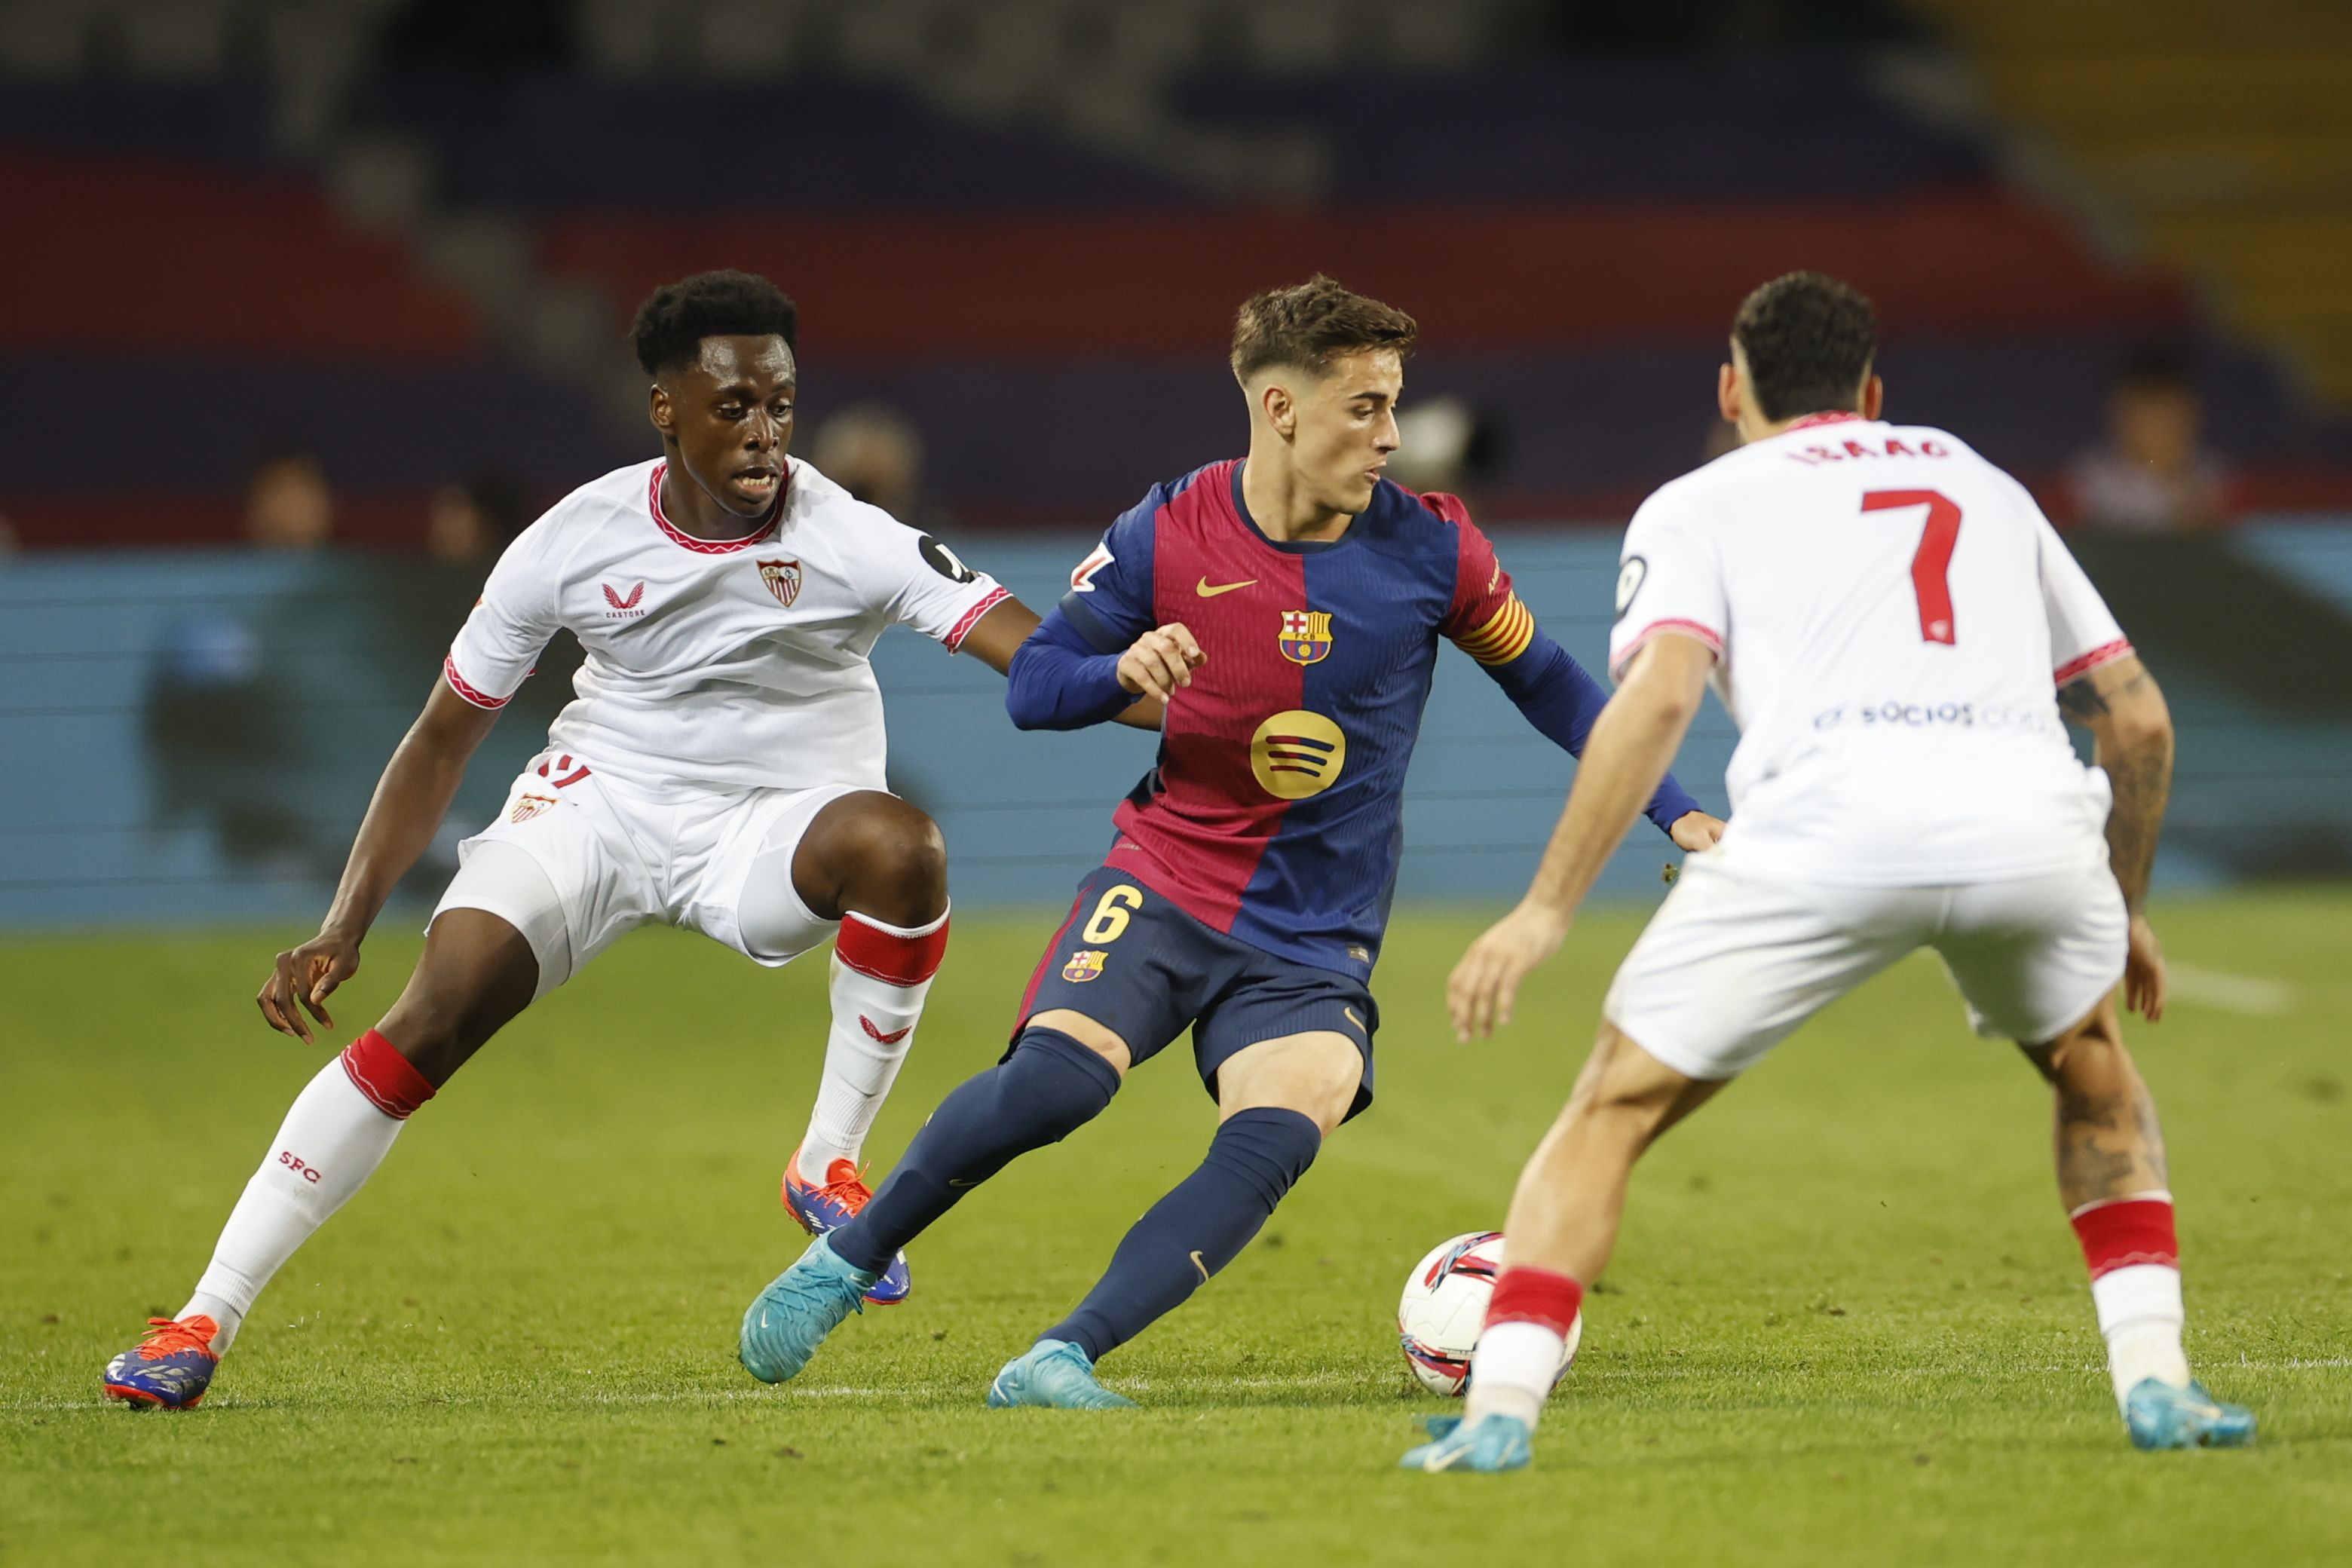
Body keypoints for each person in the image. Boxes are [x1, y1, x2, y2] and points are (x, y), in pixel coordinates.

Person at [99, 270, 1116, 1410]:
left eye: (781, 405)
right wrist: (342, 923)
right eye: (733, 407)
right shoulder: (570, 541)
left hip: (773, 826)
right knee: (436, 1009)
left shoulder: (853, 537)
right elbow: (441, 740)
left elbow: (1041, 657)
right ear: (666, 411)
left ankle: (825, 1157)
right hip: (602, 808)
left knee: (904, 850)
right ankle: (201, 1318)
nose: (765, 435)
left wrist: (1189, 691)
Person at [735, 275, 1723, 1407]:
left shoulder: (1435, 550)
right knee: (1054, 1088)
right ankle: (842, 1261)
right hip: (1168, 883)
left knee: (1286, 1119)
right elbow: (1038, 686)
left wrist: (1673, 804)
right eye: (1365, 408)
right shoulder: (1167, 529)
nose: (1392, 436)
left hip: (1317, 935)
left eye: (1394, 405)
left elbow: (1553, 684)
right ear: (1280, 407)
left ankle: (1062, 1355)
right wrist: (1121, 671)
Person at [1405, 271, 2254, 1473]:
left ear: (1730, 388)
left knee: (1612, 1109)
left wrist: (1547, 908)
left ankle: (1499, 1415)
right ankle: (2159, 1381)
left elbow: (1656, 702)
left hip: (1827, 825)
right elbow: (2137, 718)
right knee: (2092, 1068)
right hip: (2023, 818)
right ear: (1871, 391)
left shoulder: (1697, 502)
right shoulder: (1982, 480)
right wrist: (2121, 906)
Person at [2064, 343, 2234, 531]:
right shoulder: (2086, 482)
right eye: (2147, 416)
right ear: (2119, 416)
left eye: (2169, 417)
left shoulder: (2218, 479)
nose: (2158, 430)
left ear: (2193, 414)